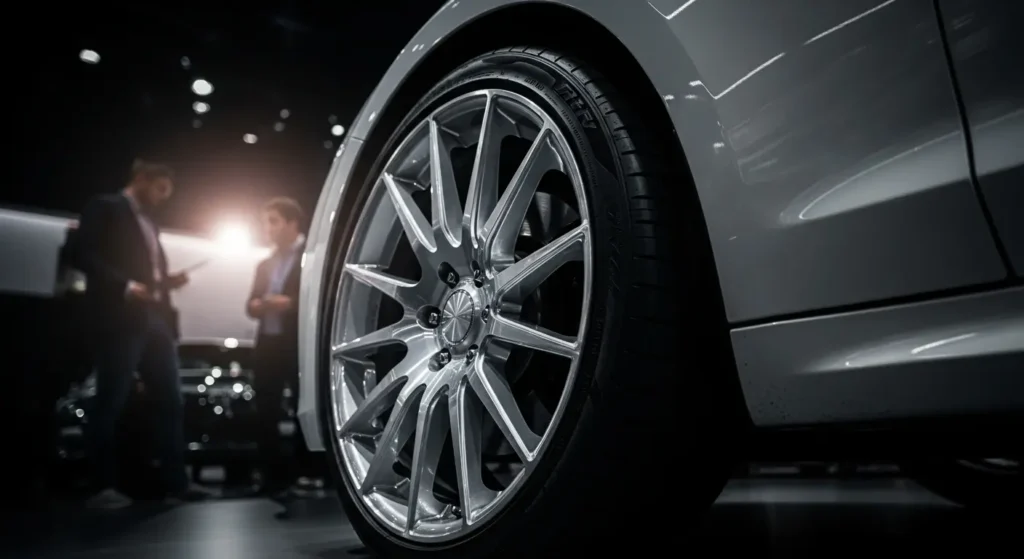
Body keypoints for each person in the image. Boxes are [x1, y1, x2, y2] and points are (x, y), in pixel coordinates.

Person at [74, 158, 212, 508]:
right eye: (160, 188)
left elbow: (148, 275)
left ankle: (175, 484)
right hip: (119, 317)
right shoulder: (105, 207)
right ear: (142, 179)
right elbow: (82, 253)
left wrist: (167, 283)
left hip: (152, 316)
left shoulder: (149, 221)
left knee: (170, 399)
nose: (164, 197)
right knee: (111, 398)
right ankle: (100, 486)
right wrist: (124, 286)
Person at [246, 197, 309, 497]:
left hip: (296, 344)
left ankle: (305, 474)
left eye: (273, 221)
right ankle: (272, 477)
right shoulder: (264, 263)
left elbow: (317, 301)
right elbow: (250, 304)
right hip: (267, 344)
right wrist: (260, 304)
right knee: (265, 409)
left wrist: (290, 303)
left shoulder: (312, 257)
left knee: (302, 407)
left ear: (292, 222)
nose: (267, 229)